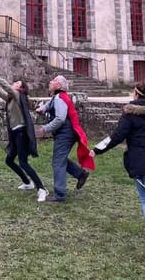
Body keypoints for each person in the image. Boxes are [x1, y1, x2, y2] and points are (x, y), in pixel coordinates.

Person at [89, 80, 145, 251]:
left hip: (138, 164)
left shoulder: (129, 114)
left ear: (137, 94)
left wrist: (96, 150)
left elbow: (116, 136)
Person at [0, 67, 48, 202]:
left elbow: (8, 88)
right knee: (9, 160)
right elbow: (1, 92)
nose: (14, 84)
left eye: (17, 83)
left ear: (21, 89)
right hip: (15, 134)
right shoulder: (11, 99)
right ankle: (28, 183)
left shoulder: (19, 96)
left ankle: (41, 189)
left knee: (23, 163)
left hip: (21, 133)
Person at [35, 74, 95, 202]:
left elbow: (60, 119)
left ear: (58, 85)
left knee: (58, 162)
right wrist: (42, 109)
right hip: (68, 132)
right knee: (60, 159)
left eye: (54, 80)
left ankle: (60, 194)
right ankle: (80, 174)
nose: (50, 82)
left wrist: (45, 129)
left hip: (65, 133)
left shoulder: (60, 98)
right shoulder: (58, 97)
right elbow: (49, 104)